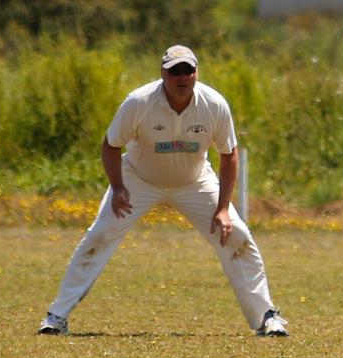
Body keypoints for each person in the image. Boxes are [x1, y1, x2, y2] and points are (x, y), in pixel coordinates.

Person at [37, 45, 288, 338]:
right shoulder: (139, 102)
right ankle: (56, 317)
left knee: (237, 238)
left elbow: (228, 154)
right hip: (138, 180)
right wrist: (118, 187)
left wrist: (222, 209)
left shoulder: (213, 104)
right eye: (174, 71)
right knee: (99, 236)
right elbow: (111, 145)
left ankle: (267, 318)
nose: (182, 77)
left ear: (196, 73)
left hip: (194, 182)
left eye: (188, 71)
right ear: (163, 74)